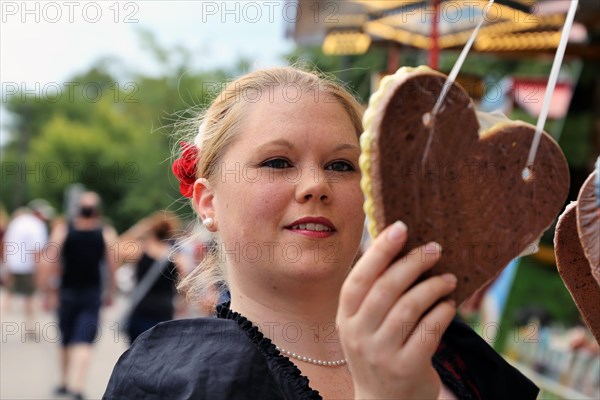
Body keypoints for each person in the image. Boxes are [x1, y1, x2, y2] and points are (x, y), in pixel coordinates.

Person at [104, 67, 539, 399]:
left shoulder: (448, 348)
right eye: (277, 162)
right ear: (208, 202)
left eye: (341, 166)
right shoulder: (177, 379)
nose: (316, 185)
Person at [45, 191, 117, 400]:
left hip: (67, 291)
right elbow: (112, 264)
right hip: (91, 293)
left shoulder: (64, 230)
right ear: (97, 211)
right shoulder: (105, 232)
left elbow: (51, 258)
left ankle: (64, 382)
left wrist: (49, 290)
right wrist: (111, 291)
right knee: (84, 340)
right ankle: (77, 385)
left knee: (66, 339)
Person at [117, 211, 187, 342]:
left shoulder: (140, 252)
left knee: (136, 353)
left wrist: (139, 228)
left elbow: (118, 246)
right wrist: (183, 306)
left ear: (152, 230)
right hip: (164, 311)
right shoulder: (177, 258)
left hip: (140, 308)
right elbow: (185, 286)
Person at [2, 199, 53, 329]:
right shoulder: (36, 225)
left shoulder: (17, 222)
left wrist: (6, 263)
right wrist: (40, 270)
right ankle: (31, 327)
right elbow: (36, 250)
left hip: (12, 264)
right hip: (27, 266)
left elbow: (6, 243)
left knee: (8, 294)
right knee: (30, 296)